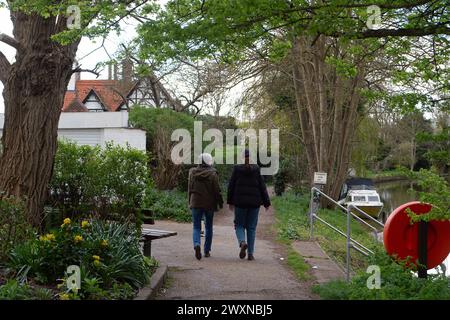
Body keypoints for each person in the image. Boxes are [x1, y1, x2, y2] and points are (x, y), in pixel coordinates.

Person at [227, 149, 271, 261]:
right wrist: (266, 203)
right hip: (254, 203)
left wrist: (230, 202)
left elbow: (231, 186)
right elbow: (262, 187)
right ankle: (250, 254)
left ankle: (242, 242)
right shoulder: (256, 169)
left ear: (242, 158)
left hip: (240, 203)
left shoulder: (237, 169)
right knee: (251, 228)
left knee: (239, 225)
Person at [188, 153, 223, 260]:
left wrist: (190, 201)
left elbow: (189, 188)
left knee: (196, 226)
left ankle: (196, 244)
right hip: (209, 204)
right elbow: (216, 190)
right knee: (208, 227)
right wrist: (220, 202)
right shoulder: (213, 174)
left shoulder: (192, 172)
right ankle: (207, 250)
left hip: (196, 202)